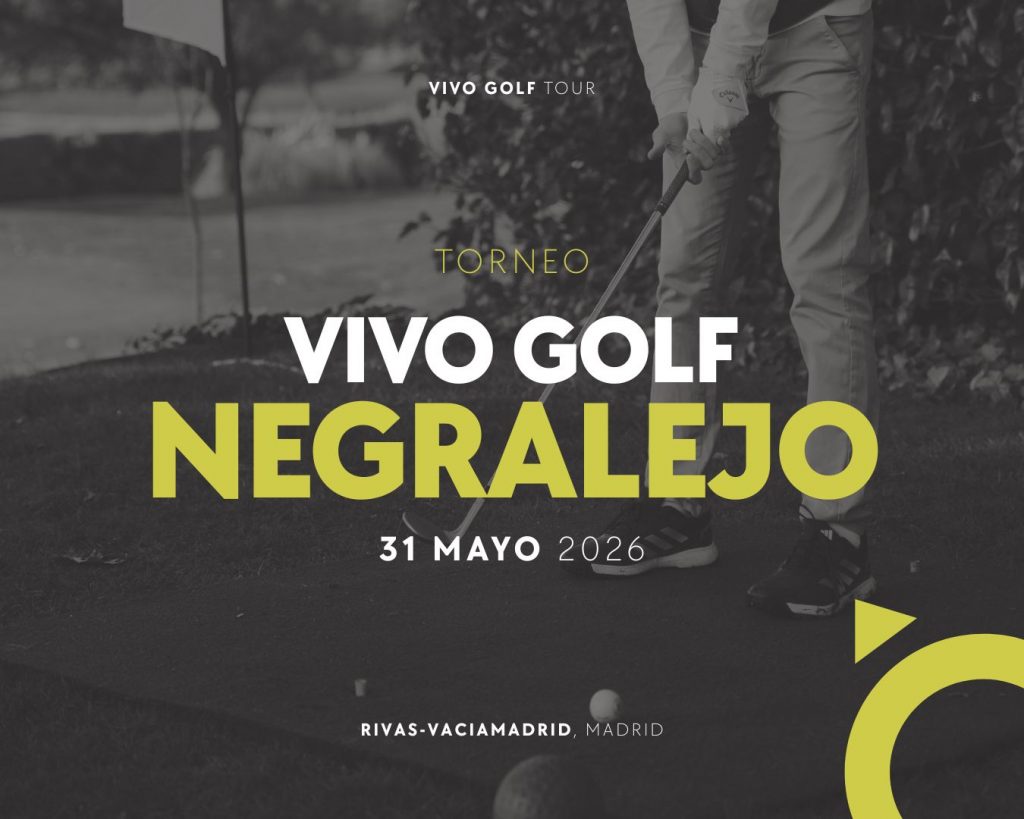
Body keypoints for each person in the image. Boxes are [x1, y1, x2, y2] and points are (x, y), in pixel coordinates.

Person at [577, 0, 879, 617]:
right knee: (684, 275)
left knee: (824, 276)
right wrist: (674, 105)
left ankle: (837, 532)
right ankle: (677, 505)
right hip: (699, 40)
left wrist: (712, 104)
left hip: (816, 29)